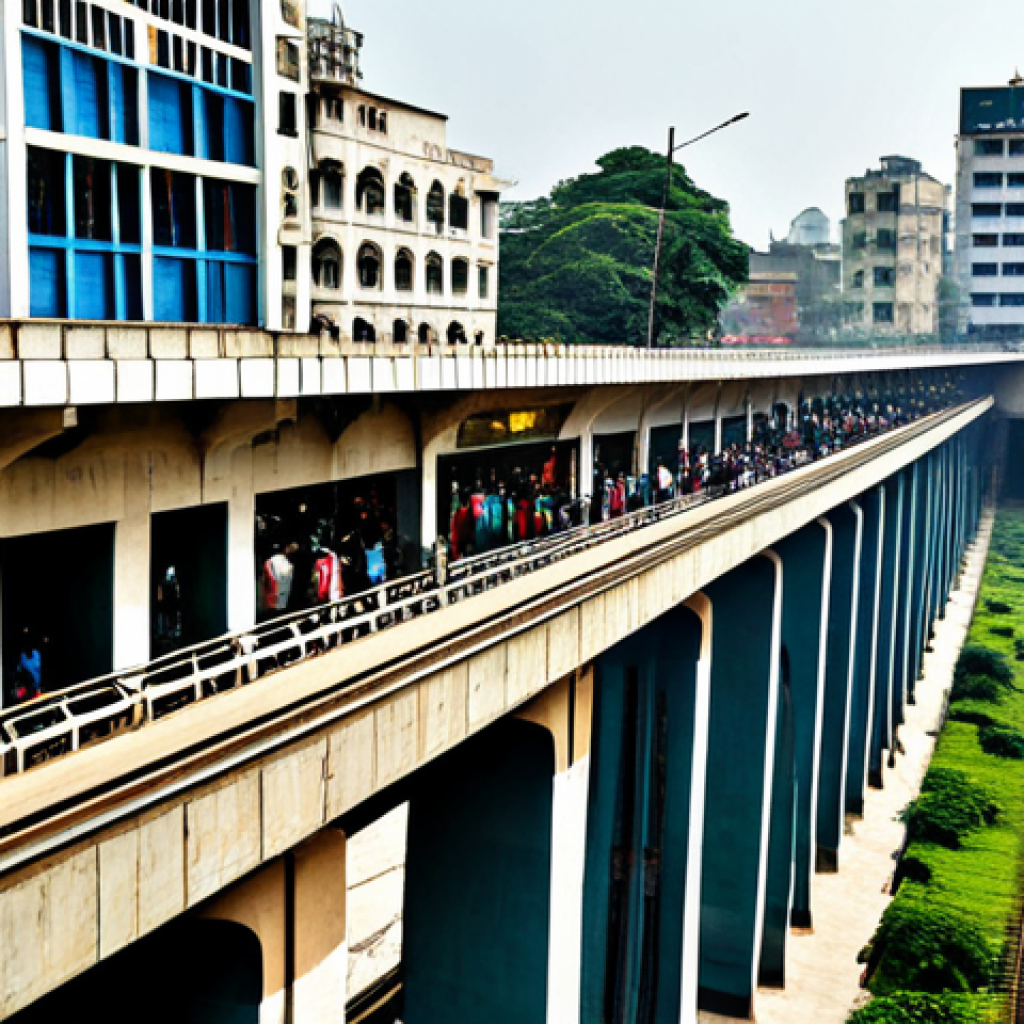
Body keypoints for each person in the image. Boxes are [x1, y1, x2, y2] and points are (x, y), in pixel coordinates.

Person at [12, 630, 42, 703]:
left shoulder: (37, 654)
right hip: (25, 687)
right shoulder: (22, 657)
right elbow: (17, 673)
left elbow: (41, 670)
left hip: (36, 687)